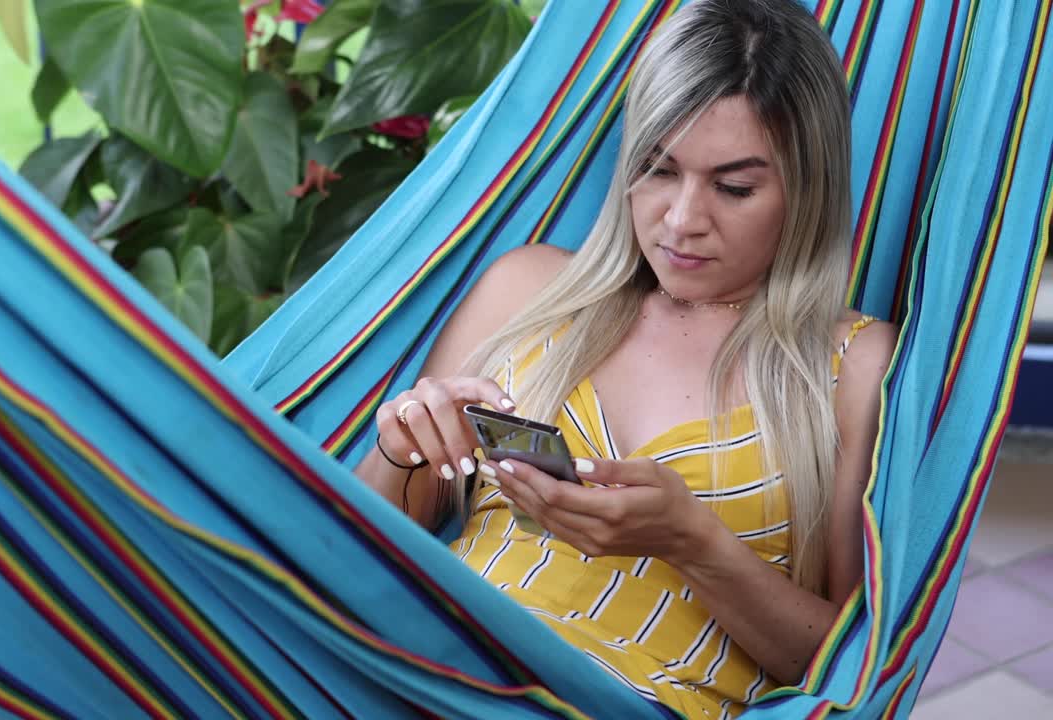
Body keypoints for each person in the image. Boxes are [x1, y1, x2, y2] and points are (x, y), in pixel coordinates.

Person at [354, 0, 897, 716]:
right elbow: (368, 547)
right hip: (435, 672)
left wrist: (693, 543)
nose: (680, 221)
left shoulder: (850, 368)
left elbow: (853, 670)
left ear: (807, 189)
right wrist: (404, 450)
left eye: (734, 187)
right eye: (658, 169)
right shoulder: (530, 290)